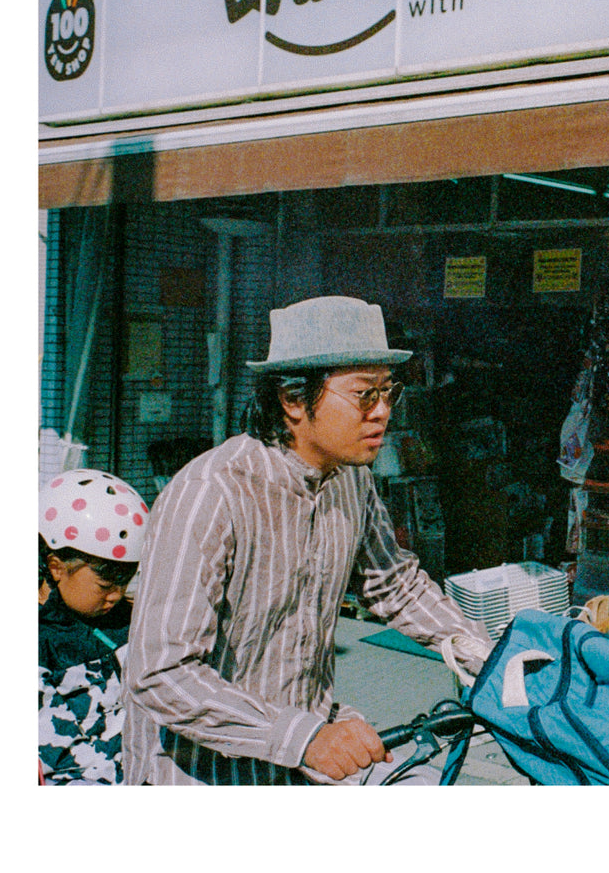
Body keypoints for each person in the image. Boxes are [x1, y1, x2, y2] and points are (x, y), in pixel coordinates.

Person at [122, 295, 491, 785]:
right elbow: (160, 673)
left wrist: (483, 654)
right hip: (200, 771)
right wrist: (305, 737)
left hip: (296, 756)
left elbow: (394, 580)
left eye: (389, 392)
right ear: (293, 400)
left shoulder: (350, 480)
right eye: (364, 395)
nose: (383, 412)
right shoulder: (211, 494)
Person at [38, 468, 149, 784]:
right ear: (57, 567)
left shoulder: (123, 620)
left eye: (125, 581)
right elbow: (60, 757)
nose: (116, 595)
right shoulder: (41, 642)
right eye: (105, 584)